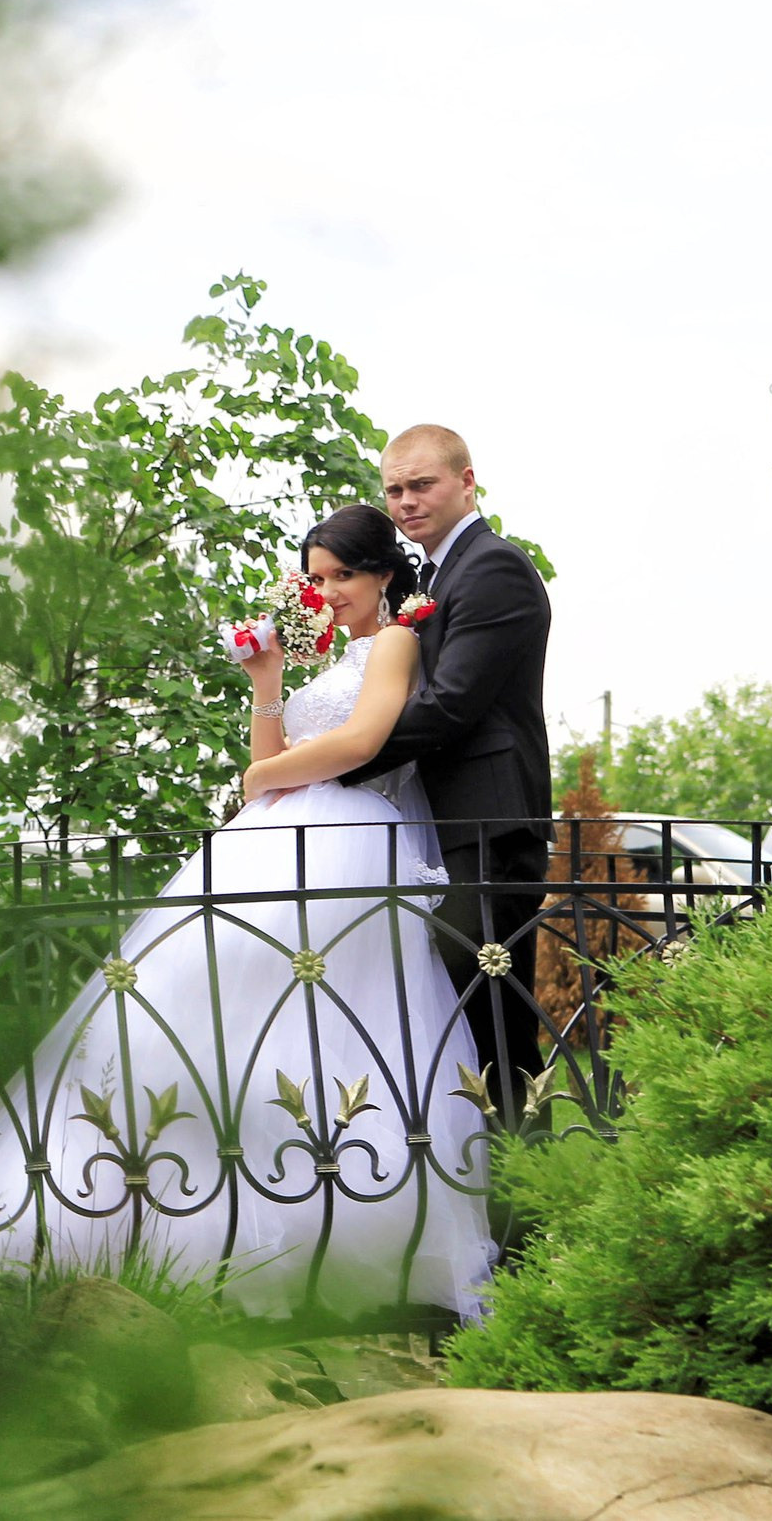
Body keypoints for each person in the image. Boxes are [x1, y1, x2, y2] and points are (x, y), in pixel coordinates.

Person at [0, 503, 496, 1321]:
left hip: (342, 841)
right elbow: (268, 756)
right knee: (208, 1014)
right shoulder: (332, 655)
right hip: (277, 834)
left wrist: (262, 784)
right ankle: (165, 1219)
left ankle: (321, 1236)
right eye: (316, 577)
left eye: (344, 574)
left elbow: (361, 743)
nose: (327, 591)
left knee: (317, 1026)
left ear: (384, 573)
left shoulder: (396, 642)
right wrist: (267, 682)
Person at [344, 425, 553, 1114]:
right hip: (446, 826)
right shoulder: (435, 575)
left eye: (421, 484)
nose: (405, 501)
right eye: (394, 489)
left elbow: (451, 704)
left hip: (487, 824)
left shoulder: (493, 568)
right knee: (460, 1014)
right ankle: (484, 1167)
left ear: (467, 482)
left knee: (495, 1019)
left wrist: (340, 763)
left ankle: (529, 1173)